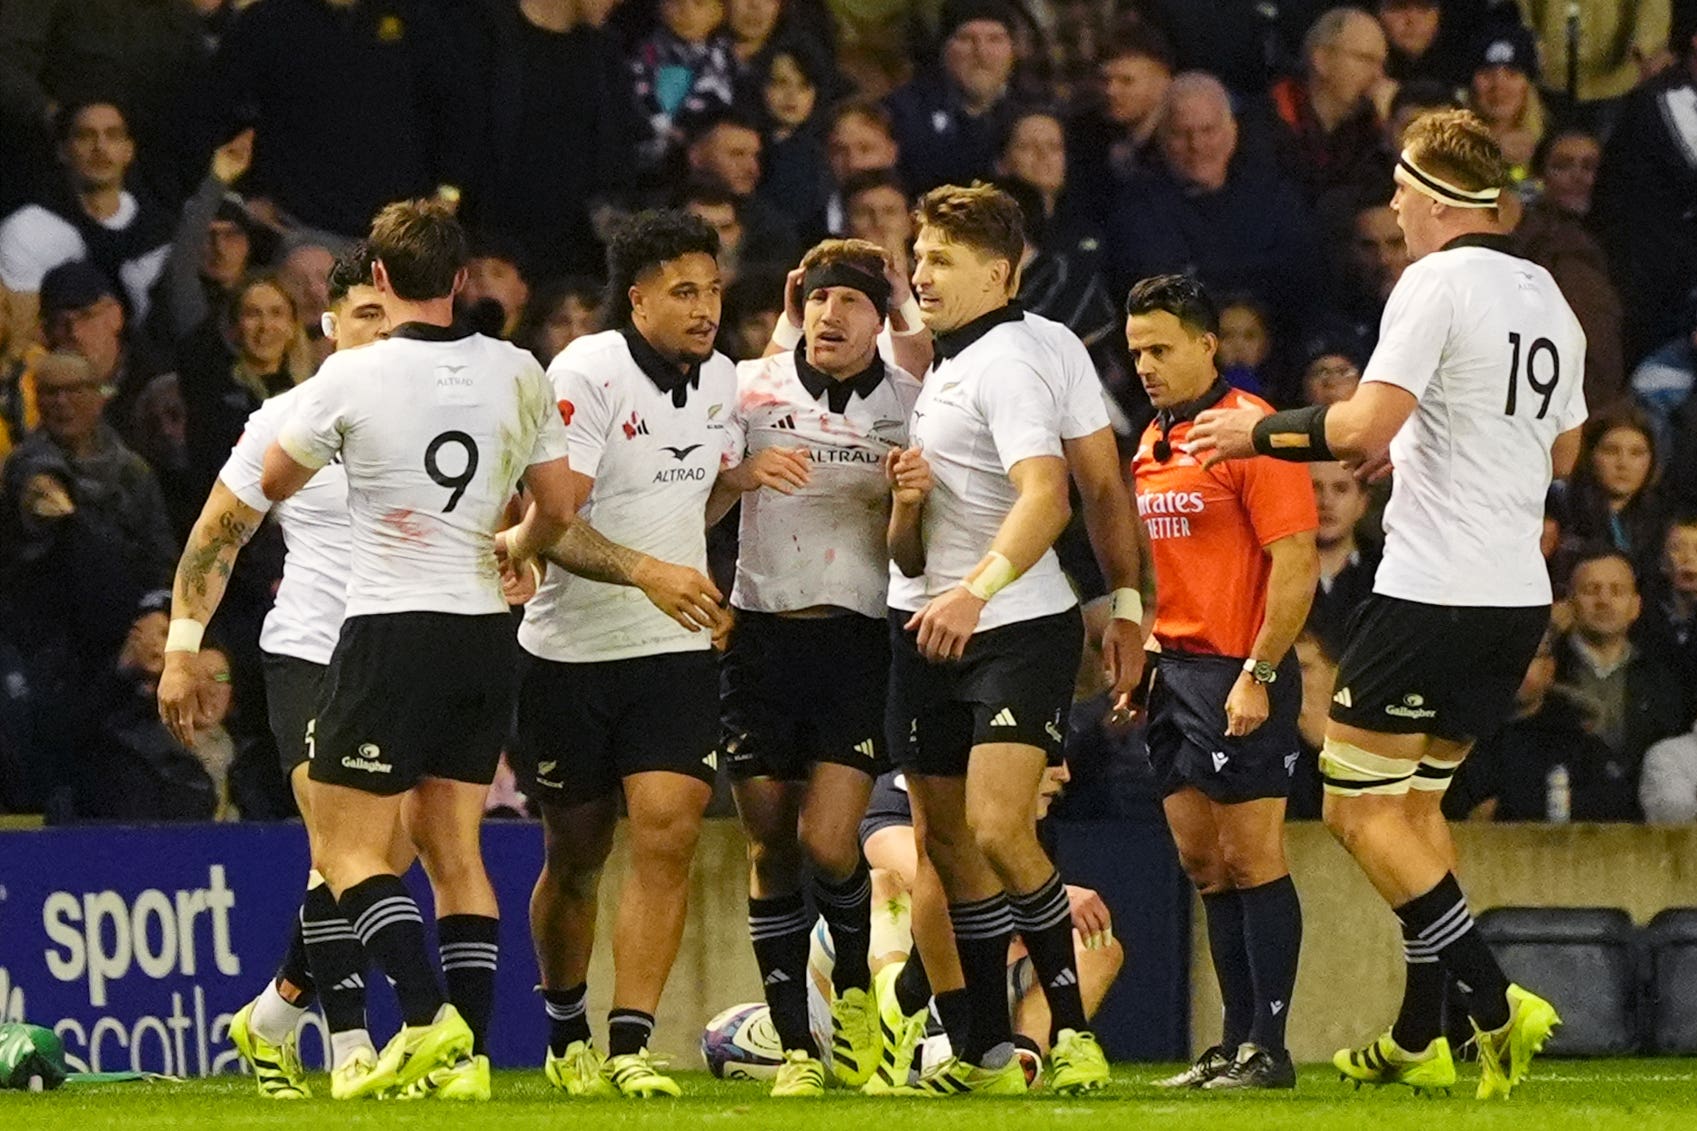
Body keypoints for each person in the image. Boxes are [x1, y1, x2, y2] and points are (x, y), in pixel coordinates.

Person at [1188, 108, 1586, 1099]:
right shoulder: (1546, 293)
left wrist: (1255, 434)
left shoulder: (1434, 281)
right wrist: (1414, 445)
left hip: (1432, 591)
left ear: (1435, 201)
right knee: (1411, 808)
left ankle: (1492, 1002)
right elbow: (1563, 452)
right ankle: (1420, 1034)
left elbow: (1361, 416)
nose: (1392, 205)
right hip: (1510, 600)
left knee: (1353, 810)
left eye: (1402, 190)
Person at [256, 199, 579, 1100]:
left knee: (353, 848)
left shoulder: (351, 377)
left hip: (391, 625)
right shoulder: (518, 367)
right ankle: (468, 1059)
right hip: (486, 632)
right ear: (463, 282)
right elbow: (554, 502)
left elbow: (275, 477)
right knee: (456, 851)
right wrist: (516, 547)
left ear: (382, 283)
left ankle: (431, 1020)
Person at [883, 182, 1135, 1096]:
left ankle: (1070, 1034)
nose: (921, 273)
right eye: (918, 256)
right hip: (920, 619)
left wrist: (974, 591)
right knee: (944, 841)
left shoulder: (1004, 364)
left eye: (941, 259)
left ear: (999, 272)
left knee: (994, 824)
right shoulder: (1020, 346)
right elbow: (1105, 486)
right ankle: (987, 1048)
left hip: (1009, 621)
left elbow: (1052, 493)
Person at [507, 210, 737, 1100]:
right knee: (574, 855)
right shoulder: (585, 372)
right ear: (636, 299)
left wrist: (722, 506)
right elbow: (553, 524)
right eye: (683, 291)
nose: (704, 307)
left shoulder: (719, 380)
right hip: (569, 654)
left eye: (712, 289)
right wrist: (650, 571)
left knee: (669, 834)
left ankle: (631, 1040)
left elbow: (689, 498)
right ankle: (565, 1021)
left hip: (670, 653)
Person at [157, 245, 395, 1100]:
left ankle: (270, 1017)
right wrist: (184, 644)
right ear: (329, 327)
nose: (384, 329)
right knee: (342, 846)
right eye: (366, 314)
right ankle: (353, 1046)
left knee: (378, 858)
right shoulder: (286, 418)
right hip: (306, 650)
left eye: (395, 313)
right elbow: (219, 532)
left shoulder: (433, 417)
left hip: (396, 658)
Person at [708, 238, 921, 1096]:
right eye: (820, 298)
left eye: (853, 302)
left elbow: (923, 535)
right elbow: (698, 497)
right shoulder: (751, 391)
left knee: (829, 839)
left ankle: (859, 995)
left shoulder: (910, 402)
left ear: (880, 319)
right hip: (759, 636)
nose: (833, 315)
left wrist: (910, 494)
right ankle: (796, 1043)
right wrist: (740, 473)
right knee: (768, 845)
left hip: (858, 642)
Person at [1124, 275, 1317, 1091]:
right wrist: (1142, 650)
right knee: (1202, 863)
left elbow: (1296, 563)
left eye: (1161, 348)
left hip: (1242, 670)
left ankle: (1267, 1048)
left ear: (1207, 344)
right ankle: (1233, 1042)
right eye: (1135, 351)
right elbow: (1160, 561)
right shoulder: (1150, 440)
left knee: (1252, 857)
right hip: (1176, 674)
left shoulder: (1251, 433)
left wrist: (1259, 673)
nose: (1145, 365)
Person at [857, 764, 1124, 1074]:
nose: (1064, 774)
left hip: (976, 987)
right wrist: (1052, 895)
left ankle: (1022, 1059)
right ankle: (896, 1020)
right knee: (882, 885)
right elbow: (937, 886)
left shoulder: (1018, 824)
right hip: (882, 987)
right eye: (1049, 758)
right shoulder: (897, 796)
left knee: (1097, 945)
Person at [201, 0, 476, 239]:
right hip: (294, 230)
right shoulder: (269, 19)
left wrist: (448, 194)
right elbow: (218, 108)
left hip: (396, 236)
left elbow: (457, 110)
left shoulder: (418, 18)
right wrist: (247, 194)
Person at [1107, 72, 1320, 339]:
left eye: (1208, 130)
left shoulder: (1274, 199)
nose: (1196, 145)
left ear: (1232, 133)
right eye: (1181, 134)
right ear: (1161, 138)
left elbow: (1302, 288)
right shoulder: (1136, 211)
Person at [0, 100, 172, 339]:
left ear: (128, 151)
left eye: (112, 136)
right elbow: (18, 341)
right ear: (63, 150)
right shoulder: (29, 229)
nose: (100, 147)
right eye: (85, 136)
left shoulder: (161, 230)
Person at [7, 347, 176, 590]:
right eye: (51, 392)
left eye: (74, 389)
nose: (62, 402)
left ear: (98, 397)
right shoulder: (25, 464)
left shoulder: (132, 470)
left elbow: (160, 552)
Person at [1444, 625, 1637, 822]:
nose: (1515, 668)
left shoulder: (1574, 735)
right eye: (1505, 658)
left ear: (1549, 668)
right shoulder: (1463, 733)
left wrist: (1510, 808)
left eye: (1529, 657)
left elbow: (1614, 803)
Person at [1555, 549, 1687, 775]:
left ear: (1636, 606)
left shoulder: (1663, 677)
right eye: (1591, 590)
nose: (1603, 601)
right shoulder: (1549, 671)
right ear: (1569, 602)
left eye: (1616, 591)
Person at [884, 0, 1023, 193]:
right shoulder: (903, 114)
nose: (981, 53)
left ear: (1013, 50)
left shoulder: (1033, 114)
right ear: (944, 49)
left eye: (995, 39)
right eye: (966, 39)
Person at [1262, 7, 1390, 203]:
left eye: (1381, 64)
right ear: (1321, 60)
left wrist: (1392, 130)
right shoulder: (1266, 120)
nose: (1378, 76)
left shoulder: (1375, 129)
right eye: (1366, 60)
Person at [1066, 22, 1175, 225]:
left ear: (1163, 82)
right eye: (1105, 80)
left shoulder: (1185, 139)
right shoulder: (1084, 134)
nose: (1111, 91)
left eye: (1126, 81)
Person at [1550, 408, 1671, 583]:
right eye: (1611, 451)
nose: (1623, 463)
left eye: (1636, 453)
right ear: (1591, 456)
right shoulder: (1561, 509)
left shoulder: (1664, 520)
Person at [1307, 461, 1379, 659]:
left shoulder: (1386, 574)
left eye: (1341, 489)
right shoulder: (1268, 572)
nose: (1326, 502)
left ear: (1363, 502)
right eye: (1315, 487)